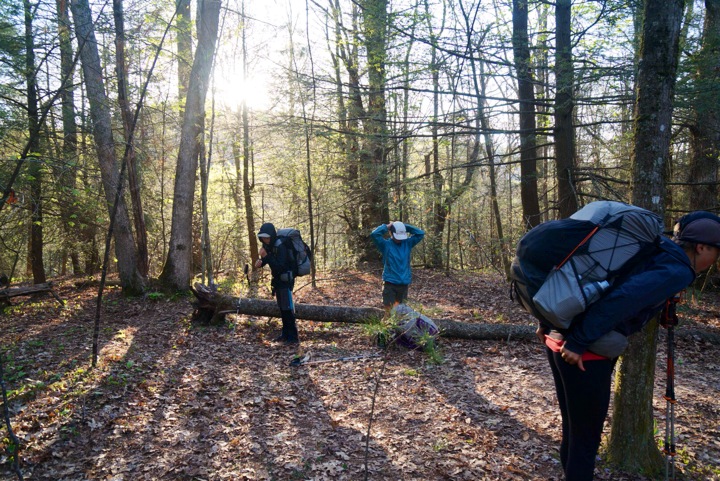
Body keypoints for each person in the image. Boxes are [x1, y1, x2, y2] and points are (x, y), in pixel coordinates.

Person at [538, 212, 720, 481]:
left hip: (559, 338)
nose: (715, 262)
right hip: (584, 352)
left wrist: (545, 321)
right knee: (585, 443)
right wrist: (578, 342)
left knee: (576, 434)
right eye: (716, 252)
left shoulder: (658, 248)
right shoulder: (678, 269)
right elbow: (623, 298)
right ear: (702, 247)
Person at [254, 223, 299, 345]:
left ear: (272, 235)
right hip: (278, 280)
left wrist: (266, 257)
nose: (265, 240)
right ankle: (285, 334)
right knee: (282, 308)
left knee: (287, 308)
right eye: (262, 237)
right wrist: (261, 262)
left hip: (286, 279)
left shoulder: (281, 245)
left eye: (267, 237)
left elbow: (279, 266)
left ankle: (293, 337)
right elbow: (268, 260)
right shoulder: (268, 245)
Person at [370, 221, 425, 316]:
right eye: (397, 236)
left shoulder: (407, 243)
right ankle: (387, 329)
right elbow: (374, 234)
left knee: (401, 312)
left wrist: (404, 226)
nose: (399, 240)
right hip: (390, 284)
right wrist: (388, 226)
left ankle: (400, 330)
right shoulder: (386, 245)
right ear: (392, 233)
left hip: (403, 284)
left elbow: (420, 233)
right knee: (389, 312)